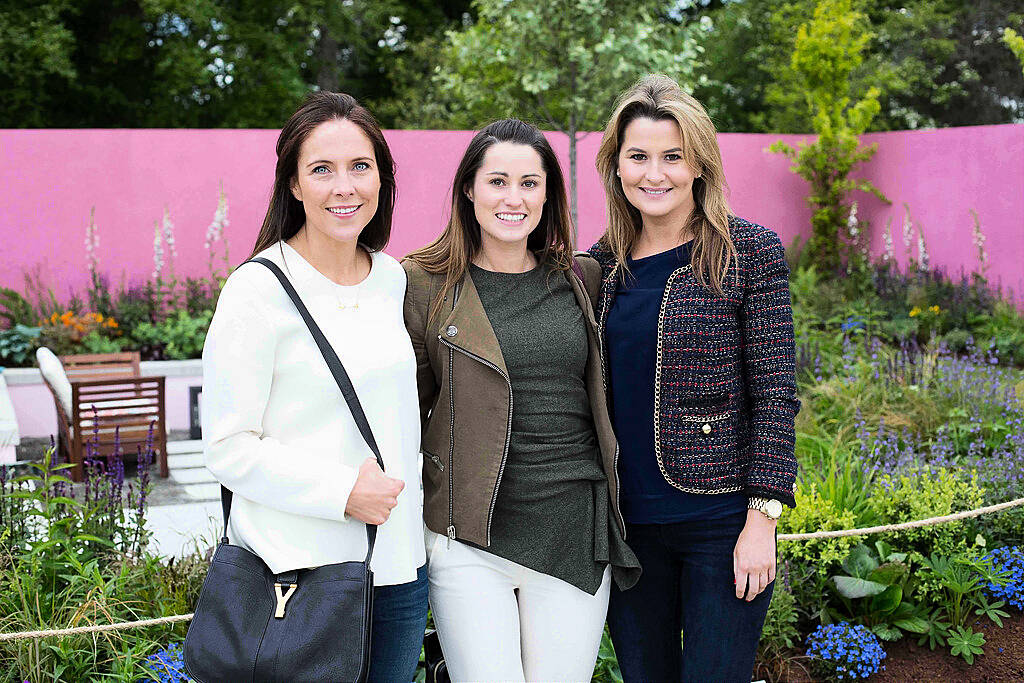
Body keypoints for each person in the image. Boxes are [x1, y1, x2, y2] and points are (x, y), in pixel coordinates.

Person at [403, 118, 640, 683]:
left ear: (549, 195)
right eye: (498, 181)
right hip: (469, 537)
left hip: (570, 527)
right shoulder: (425, 283)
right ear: (469, 189)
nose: (515, 198)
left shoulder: (582, 277)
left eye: (531, 183)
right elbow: (406, 408)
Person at [202, 91, 427, 683]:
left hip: (399, 570)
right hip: (298, 576)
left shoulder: (393, 280)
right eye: (321, 170)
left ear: (381, 177)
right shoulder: (257, 289)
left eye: (360, 167)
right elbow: (227, 446)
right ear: (295, 185)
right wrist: (341, 492)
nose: (343, 186)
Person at [588, 75, 800, 682]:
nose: (655, 174)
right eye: (639, 157)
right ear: (617, 167)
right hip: (629, 533)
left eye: (672, 157)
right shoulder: (598, 267)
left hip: (722, 526)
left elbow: (775, 387)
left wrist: (763, 518)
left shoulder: (749, 252)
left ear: (699, 165)